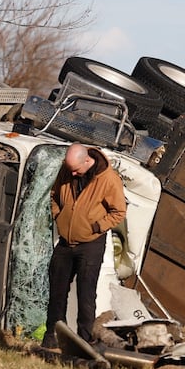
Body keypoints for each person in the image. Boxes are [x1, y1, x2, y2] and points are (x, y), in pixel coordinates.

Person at [41, 143, 126, 349]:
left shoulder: (108, 179)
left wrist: (96, 227)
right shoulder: (68, 170)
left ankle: (84, 340)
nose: (72, 173)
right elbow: (54, 194)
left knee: (86, 294)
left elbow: (118, 212)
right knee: (57, 293)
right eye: (69, 168)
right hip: (65, 242)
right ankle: (52, 336)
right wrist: (58, 215)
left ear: (87, 161)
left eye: (76, 169)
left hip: (91, 244)